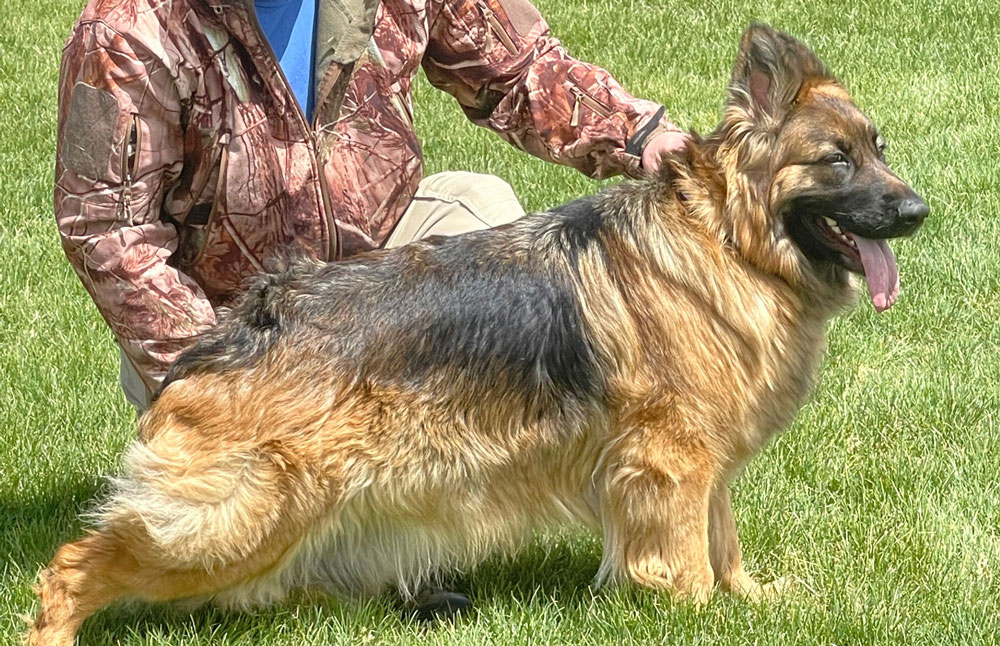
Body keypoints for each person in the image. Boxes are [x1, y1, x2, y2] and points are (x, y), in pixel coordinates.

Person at [55, 0, 688, 412]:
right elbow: (109, 231)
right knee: (264, 560)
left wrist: (641, 137)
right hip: (233, 326)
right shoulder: (126, 32)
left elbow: (522, 70)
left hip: (380, 290)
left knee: (481, 208)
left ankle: (437, 468)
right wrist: (222, 378)